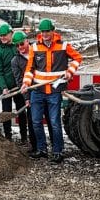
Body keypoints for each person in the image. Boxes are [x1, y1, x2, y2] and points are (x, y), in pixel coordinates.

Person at [22, 19, 82, 163]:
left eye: (47, 31)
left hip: (54, 91)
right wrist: (26, 83)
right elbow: (29, 69)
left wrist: (70, 72)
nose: (45, 34)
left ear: (53, 31)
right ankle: (42, 149)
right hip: (37, 90)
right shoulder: (35, 48)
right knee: (36, 122)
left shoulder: (63, 46)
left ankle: (58, 151)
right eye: (43, 32)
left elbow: (78, 58)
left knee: (54, 122)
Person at [0, 24, 21, 141]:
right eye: (1, 35)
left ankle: (24, 136)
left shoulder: (17, 47)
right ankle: (8, 136)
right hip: (7, 88)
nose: (3, 37)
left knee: (22, 110)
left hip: (19, 86)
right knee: (6, 112)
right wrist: (4, 87)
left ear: (11, 34)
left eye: (5, 35)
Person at [10, 31, 35, 151]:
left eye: (21, 44)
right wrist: (27, 98)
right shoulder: (15, 61)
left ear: (27, 41)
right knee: (31, 120)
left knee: (51, 120)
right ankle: (35, 146)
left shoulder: (37, 52)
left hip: (44, 89)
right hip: (30, 91)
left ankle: (54, 146)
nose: (20, 47)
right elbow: (20, 81)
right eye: (17, 45)